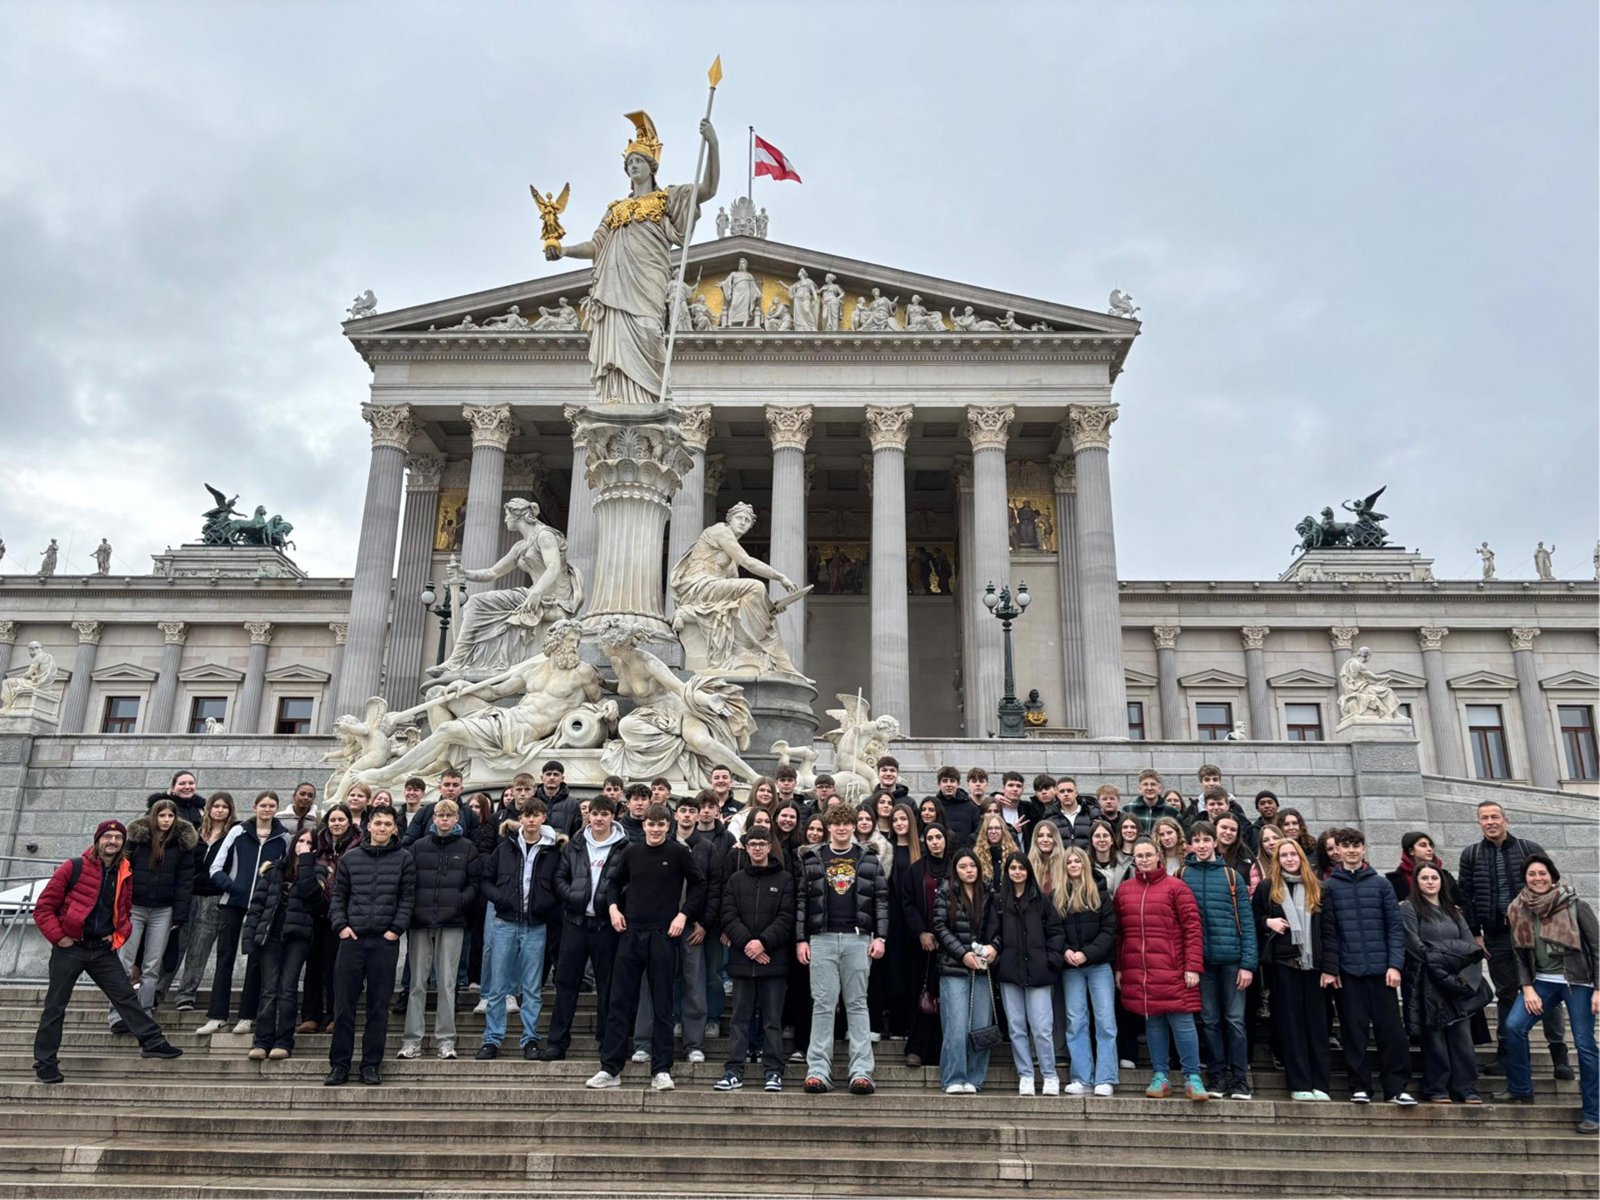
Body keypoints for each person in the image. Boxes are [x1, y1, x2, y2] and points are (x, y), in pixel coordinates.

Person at [32, 821, 184, 1082]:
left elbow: (125, 912)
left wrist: (116, 936)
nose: (112, 841)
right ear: (97, 839)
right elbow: (43, 908)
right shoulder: (73, 867)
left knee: (125, 995)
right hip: (70, 948)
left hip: (101, 949)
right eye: (108, 836)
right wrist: (60, 938)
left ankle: (152, 1042)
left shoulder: (124, 872)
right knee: (55, 1006)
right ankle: (45, 1063)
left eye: (117, 837)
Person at [587, 804, 706, 1091]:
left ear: (668, 826)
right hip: (630, 933)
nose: (655, 829)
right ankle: (610, 1068)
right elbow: (612, 883)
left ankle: (661, 1069)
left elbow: (700, 885)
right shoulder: (631, 852)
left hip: (664, 935)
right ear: (644, 826)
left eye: (661, 824)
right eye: (651, 824)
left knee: (663, 1004)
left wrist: (683, 915)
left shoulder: (679, 853)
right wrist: (614, 909)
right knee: (619, 1001)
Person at [1458, 801, 1571, 1081]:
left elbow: (1551, 887)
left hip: (1535, 935)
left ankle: (1559, 1056)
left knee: (1548, 993)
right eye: (1484, 818)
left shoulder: (1529, 849)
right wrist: (1475, 932)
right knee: (1507, 993)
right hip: (1496, 936)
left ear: (1505, 820)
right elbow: (1466, 895)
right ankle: (1507, 1054)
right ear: (1479, 823)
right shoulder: (1471, 854)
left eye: (1495, 816)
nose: (1490, 822)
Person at [797, 802, 890, 1095]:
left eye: (846, 824)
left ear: (853, 826)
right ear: (829, 827)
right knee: (823, 1006)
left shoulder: (868, 858)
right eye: (836, 824)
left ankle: (861, 1071)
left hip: (858, 938)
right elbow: (802, 901)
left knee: (857, 1004)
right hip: (822, 939)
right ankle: (818, 1071)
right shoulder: (813, 857)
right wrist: (801, 938)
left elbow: (881, 901)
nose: (841, 828)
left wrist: (881, 937)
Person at [1501, 854, 1598, 1133]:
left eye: (1542, 873)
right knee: (1514, 1025)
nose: (1537, 878)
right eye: (1532, 874)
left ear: (1552, 876)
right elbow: (1519, 954)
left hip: (1577, 981)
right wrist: (1527, 987)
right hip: (1542, 981)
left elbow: (1597, 948)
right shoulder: (1519, 908)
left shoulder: (1576, 906)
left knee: (1584, 1044)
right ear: (1526, 879)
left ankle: (1593, 1111)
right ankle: (1520, 1088)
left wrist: (1598, 989)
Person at [1321, 828, 1416, 1105]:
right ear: (1337, 850)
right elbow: (1329, 932)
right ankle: (1359, 1086)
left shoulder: (1381, 885)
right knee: (1354, 1033)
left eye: (1356, 845)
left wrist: (1395, 965)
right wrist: (1333, 968)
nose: (1351, 850)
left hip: (1381, 972)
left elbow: (1394, 929)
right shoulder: (1330, 887)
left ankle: (1396, 1087)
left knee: (1392, 1033)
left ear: (1364, 849)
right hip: (1348, 974)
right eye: (1346, 846)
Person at [325, 807, 416, 1086]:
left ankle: (370, 1065)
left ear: (394, 829)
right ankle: (339, 1066)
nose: (382, 828)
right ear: (368, 826)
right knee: (344, 1007)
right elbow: (338, 896)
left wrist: (394, 930)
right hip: (352, 941)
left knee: (378, 1008)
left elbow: (407, 898)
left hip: (384, 943)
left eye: (388, 824)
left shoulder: (404, 859)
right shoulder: (351, 858)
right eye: (378, 823)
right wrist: (341, 926)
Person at [1115, 836, 1207, 1102]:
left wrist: (1192, 966)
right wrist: (1119, 967)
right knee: (1153, 1021)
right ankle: (1160, 1075)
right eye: (1139, 856)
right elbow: (1119, 934)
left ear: (1158, 856)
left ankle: (1192, 1077)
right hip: (1140, 970)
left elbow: (1192, 929)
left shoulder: (1176, 887)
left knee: (1182, 1021)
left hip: (1174, 967)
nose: (1143, 860)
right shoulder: (1124, 891)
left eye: (1148, 855)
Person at [195, 791, 290, 1036]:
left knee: (255, 962)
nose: (267, 809)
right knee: (225, 958)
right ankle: (217, 1015)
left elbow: (286, 871)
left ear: (276, 809)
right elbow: (216, 867)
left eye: (272, 806)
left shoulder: (283, 837)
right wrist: (233, 888)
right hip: (232, 904)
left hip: (262, 909)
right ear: (255, 807)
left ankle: (247, 1016)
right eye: (263, 805)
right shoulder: (238, 832)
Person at [542, 796, 628, 1061]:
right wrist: (573, 897)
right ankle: (557, 1042)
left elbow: (628, 883)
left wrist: (610, 903)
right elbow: (559, 877)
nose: (599, 818)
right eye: (595, 813)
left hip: (607, 925)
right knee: (566, 984)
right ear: (588, 815)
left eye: (604, 813)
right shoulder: (576, 844)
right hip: (576, 922)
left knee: (608, 987)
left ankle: (607, 1042)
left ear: (613, 816)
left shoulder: (625, 847)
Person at [478, 797, 563, 1060]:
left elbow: (560, 883)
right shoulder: (506, 848)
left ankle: (530, 1039)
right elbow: (486, 880)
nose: (531, 820)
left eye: (536, 815)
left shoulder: (552, 850)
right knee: (498, 985)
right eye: (527, 815)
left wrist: (545, 904)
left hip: (535, 926)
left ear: (543, 818)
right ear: (521, 819)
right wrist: (501, 898)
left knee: (531, 988)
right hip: (505, 923)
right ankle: (492, 1039)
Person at [1179, 820, 1258, 1099]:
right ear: (1189, 845)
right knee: (1210, 1021)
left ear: (1215, 843)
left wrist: (1248, 964)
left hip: (1232, 961)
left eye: (1205, 840)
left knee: (1235, 1020)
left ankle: (1239, 1079)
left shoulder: (1232, 876)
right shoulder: (1182, 875)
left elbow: (1246, 923)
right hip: (1201, 963)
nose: (1201, 845)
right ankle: (1217, 1077)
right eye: (1195, 840)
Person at [714, 825, 795, 1092]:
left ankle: (773, 1071)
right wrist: (749, 943)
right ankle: (734, 1070)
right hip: (742, 958)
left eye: (762, 844)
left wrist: (762, 943)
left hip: (773, 959)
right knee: (739, 1019)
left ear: (769, 848)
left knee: (773, 1020)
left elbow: (786, 917)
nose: (757, 848)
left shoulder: (784, 879)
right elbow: (728, 915)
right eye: (752, 844)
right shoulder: (735, 880)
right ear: (746, 848)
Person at [399, 798, 481, 1060]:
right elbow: (408, 882)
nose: (444, 819)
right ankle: (412, 1040)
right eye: (440, 815)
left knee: (447, 983)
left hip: (452, 921)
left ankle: (446, 1039)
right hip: (421, 921)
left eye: (449, 815)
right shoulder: (417, 847)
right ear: (433, 818)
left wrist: (460, 902)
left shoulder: (467, 848)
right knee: (417, 985)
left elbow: (474, 882)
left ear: (457, 818)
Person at [107, 799, 197, 1032]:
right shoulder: (138, 840)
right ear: (154, 816)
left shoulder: (181, 845)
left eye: (170, 816)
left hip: (163, 910)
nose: (166, 820)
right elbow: (123, 873)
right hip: (134, 908)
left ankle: (144, 1012)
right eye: (162, 815)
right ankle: (117, 1013)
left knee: (153, 964)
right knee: (125, 962)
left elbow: (185, 882)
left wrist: (180, 914)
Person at [1400, 862, 1485, 1105]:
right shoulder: (1409, 908)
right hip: (1429, 982)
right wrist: (1440, 964)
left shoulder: (1453, 911)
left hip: (1456, 984)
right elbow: (1414, 944)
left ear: (1441, 881)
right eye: (1424, 878)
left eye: (1434, 877)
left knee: (1462, 1036)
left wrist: (1461, 978)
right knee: (1434, 1037)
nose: (1429, 882)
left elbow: (1470, 947)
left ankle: (1466, 1087)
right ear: (1416, 882)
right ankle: (1437, 1087)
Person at [1254, 837, 1331, 1101]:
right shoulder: (1268, 888)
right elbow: (1254, 920)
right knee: (1292, 1026)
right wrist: (1268, 922)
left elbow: (1329, 931)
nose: (1289, 859)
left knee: (1317, 1027)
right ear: (1277, 860)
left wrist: (1330, 968)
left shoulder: (1318, 888)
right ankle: (1299, 1084)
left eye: (1292, 854)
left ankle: (1321, 1083)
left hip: (1314, 966)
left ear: (1301, 857)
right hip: (1284, 966)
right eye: (1283, 855)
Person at [242, 826, 327, 1060]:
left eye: (310, 844)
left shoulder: (318, 872)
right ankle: (262, 1040)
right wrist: (250, 938)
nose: (304, 846)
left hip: (297, 938)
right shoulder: (273, 870)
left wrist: (307, 861)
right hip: (271, 935)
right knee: (268, 989)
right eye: (301, 841)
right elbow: (257, 906)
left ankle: (284, 1041)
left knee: (287, 989)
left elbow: (314, 897)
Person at [983, 852, 1064, 1095]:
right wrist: (998, 961)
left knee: (1041, 1027)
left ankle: (1049, 1074)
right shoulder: (998, 901)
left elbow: (1056, 932)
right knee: (1017, 1027)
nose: (1017, 872)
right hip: (1010, 972)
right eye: (1013, 868)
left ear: (1028, 871)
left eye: (1021, 868)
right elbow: (992, 934)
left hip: (1039, 972)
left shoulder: (1041, 900)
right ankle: (1025, 1074)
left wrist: (1051, 959)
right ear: (1007, 872)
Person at [933, 849, 996, 1094]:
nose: (969, 870)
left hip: (982, 967)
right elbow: (939, 926)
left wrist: (994, 948)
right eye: (963, 866)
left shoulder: (989, 893)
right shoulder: (946, 892)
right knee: (955, 1025)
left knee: (981, 1025)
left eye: (972, 866)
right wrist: (963, 954)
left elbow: (999, 926)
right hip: (953, 966)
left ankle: (974, 1077)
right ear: (955, 870)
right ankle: (953, 1077)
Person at [1057, 846, 1118, 1095]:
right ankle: (1082, 1077)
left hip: (1098, 965)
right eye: (1068, 862)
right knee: (1076, 1022)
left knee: (1105, 1021)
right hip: (1071, 968)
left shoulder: (1100, 896)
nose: (1073, 865)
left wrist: (1087, 953)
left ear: (1084, 864)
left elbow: (1109, 931)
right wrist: (1066, 950)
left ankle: (1105, 1077)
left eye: (1077, 861)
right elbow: (1053, 930)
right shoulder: (1058, 897)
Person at [173, 793, 235, 1012]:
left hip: (214, 897)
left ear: (230, 810)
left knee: (199, 949)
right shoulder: (195, 832)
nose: (219, 810)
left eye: (224, 807)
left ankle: (186, 994)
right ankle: (158, 991)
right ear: (208, 809)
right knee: (176, 945)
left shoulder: (233, 836)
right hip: (188, 896)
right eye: (215, 806)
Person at [897, 823, 950, 1069]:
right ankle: (916, 1048)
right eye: (930, 838)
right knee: (921, 995)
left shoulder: (956, 866)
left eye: (939, 837)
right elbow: (907, 904)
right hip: (923, 946)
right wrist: (921, 932)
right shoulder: (916, 870)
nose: (935, 842)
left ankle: (943, 1050)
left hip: (952, 946)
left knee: (946, 998)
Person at [301, 804, 357, 1032]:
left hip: (343, 913)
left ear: (348, 822)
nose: (336, 823)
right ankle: (311, 1015)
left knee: (337, 966)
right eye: (332, 819)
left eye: (341, 819)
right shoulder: (318, 845)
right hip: (316, 912)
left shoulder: (357, 846)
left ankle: (334, 1014)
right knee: (313, 964)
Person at [1387, 831, 1461, 906]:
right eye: (1423, 845)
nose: (1429, 849)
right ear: (1411, 851)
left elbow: (1459, 903)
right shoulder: (1394, 880)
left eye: (1430, 845)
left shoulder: (1445, 876)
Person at [929, 766, 980, 850]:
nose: (948, 784)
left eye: (952, 781)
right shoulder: (933, 807)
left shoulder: (971, 808)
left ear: (958, 784)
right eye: (945, 781)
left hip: (964, 855)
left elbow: (977, 833)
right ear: (939, 784)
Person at [974, 811, 1019, 896]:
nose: (993, 832)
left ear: (1003, 831)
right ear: (985, 832)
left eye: (997, 828)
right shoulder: (977, 855)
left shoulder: (1014, 854)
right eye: (990, 828)